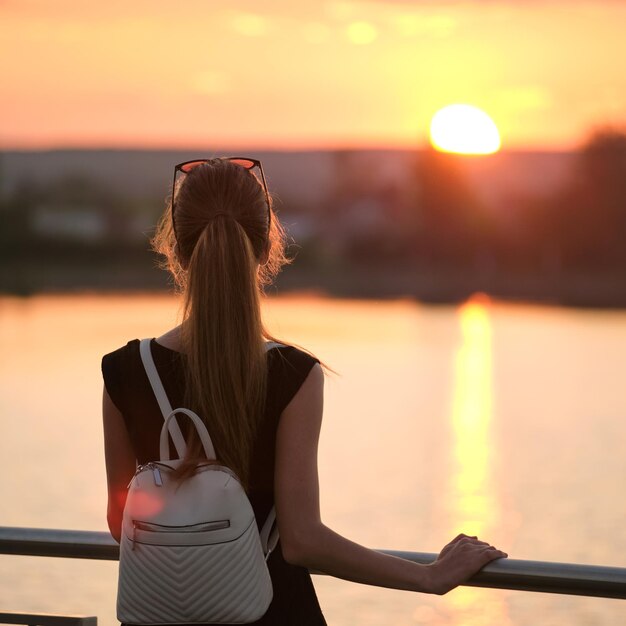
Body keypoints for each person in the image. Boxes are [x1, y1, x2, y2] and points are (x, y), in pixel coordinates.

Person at [102, 157, 507, 625]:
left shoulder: (125, 371)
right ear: (264, 246)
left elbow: (121, 523)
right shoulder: (293, 374)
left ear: (176, 248)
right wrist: (428, 576)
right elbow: (302, 541)